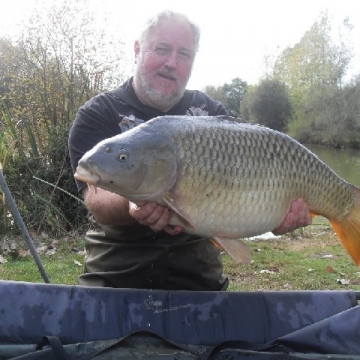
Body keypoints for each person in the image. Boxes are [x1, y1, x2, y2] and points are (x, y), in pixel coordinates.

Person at [68, 10, 312, 290]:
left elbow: (243, 199)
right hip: (117, 273)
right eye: (162, 49)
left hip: (198, 276)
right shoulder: (98, 112)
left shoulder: (211, 114)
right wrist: (132, 203)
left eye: (184, 54)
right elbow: (95, 199)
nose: (171, 63)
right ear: (138, 49)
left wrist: (279, 215)